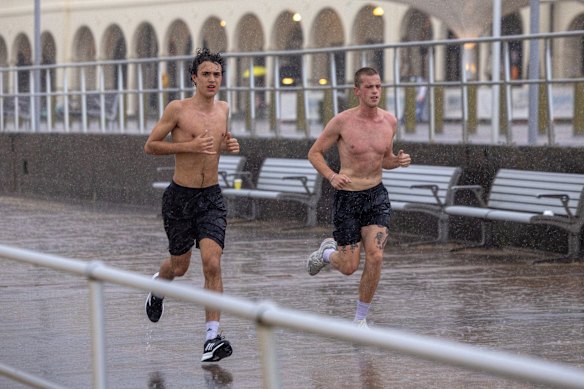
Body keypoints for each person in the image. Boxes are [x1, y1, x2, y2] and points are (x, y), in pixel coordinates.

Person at [143, 48, 240, 362]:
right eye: (206, 74)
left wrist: (229, 144)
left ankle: (212, 339)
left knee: (213, 263)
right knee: (180, 267)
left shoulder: (224, 108)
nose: (212, 80)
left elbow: (218, 145)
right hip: (180, 198)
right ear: (194, 78)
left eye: (217, 74)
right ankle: (158, 287)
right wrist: (189, 145)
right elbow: (151, 146)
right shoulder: (178, 109)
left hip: (211, 196)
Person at [306, 66, 411, 328]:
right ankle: (328, 253)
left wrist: (397, 161)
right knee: (349, 266)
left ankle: (360, 321)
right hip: (348, 199)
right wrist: (331, 176)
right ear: (357, 91)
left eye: (378, 86)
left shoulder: (389, 121)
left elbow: (383, 159)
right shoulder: (342, 122)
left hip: (376, 196)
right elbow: (314, 153)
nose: (375, 91)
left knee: (376, 255)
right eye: (369, 87)